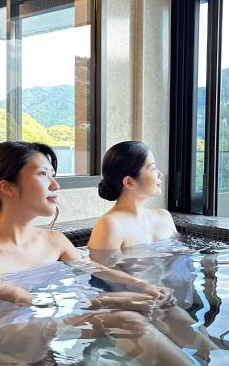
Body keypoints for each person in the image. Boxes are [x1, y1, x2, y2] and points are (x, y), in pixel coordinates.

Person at [0, 141, 192, 365]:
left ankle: (213, 355)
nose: (55, 185)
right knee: (126, 318)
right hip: (18, 343)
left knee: (160, 304)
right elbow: (22, 301)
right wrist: (116, 300)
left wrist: (143, 287)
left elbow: (94, 268)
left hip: (56, 319)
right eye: (43, 174)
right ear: (7, 187)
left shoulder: (54, 240)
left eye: (53, 175)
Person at [88, 141, 219, 361]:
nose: (160, 174)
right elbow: (98, 281)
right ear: (129, 181)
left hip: (168, 305)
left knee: (212, 355)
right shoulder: (111, 225)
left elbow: (181, 265)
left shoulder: (163, 217)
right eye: (152, 168)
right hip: (136, 310)